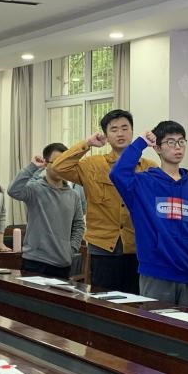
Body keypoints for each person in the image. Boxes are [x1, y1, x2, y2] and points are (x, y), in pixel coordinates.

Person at [50, 108, 154, 293]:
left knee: (136, 302)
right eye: (114, 129)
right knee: (103, 301)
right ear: (106, 135)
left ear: (132, 131)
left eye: (125, 128)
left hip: (138, 246)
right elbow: (59, 167)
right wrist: (87, 144)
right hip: (103, 246)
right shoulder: (93, 165)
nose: (120, 133)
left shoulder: (148, 167)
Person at [110, 121, 188, 306]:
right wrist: (140, 143)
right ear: (157, 148)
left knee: (185, 325)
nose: (177, 147)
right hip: (156, 273)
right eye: (170, 142)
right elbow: (118, 174)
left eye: (181, 141)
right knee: (155, 323)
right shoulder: (143, 183)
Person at [7, 142, 86, 278]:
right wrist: (32, 167)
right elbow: (13, 190)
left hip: (63, 264)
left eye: (64, 162)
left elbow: (79, 225)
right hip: (35, 262)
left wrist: (71, 250)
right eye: (56, 162)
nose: (60, 167)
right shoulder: (35, 188)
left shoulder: (74, 195)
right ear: (46, 164)